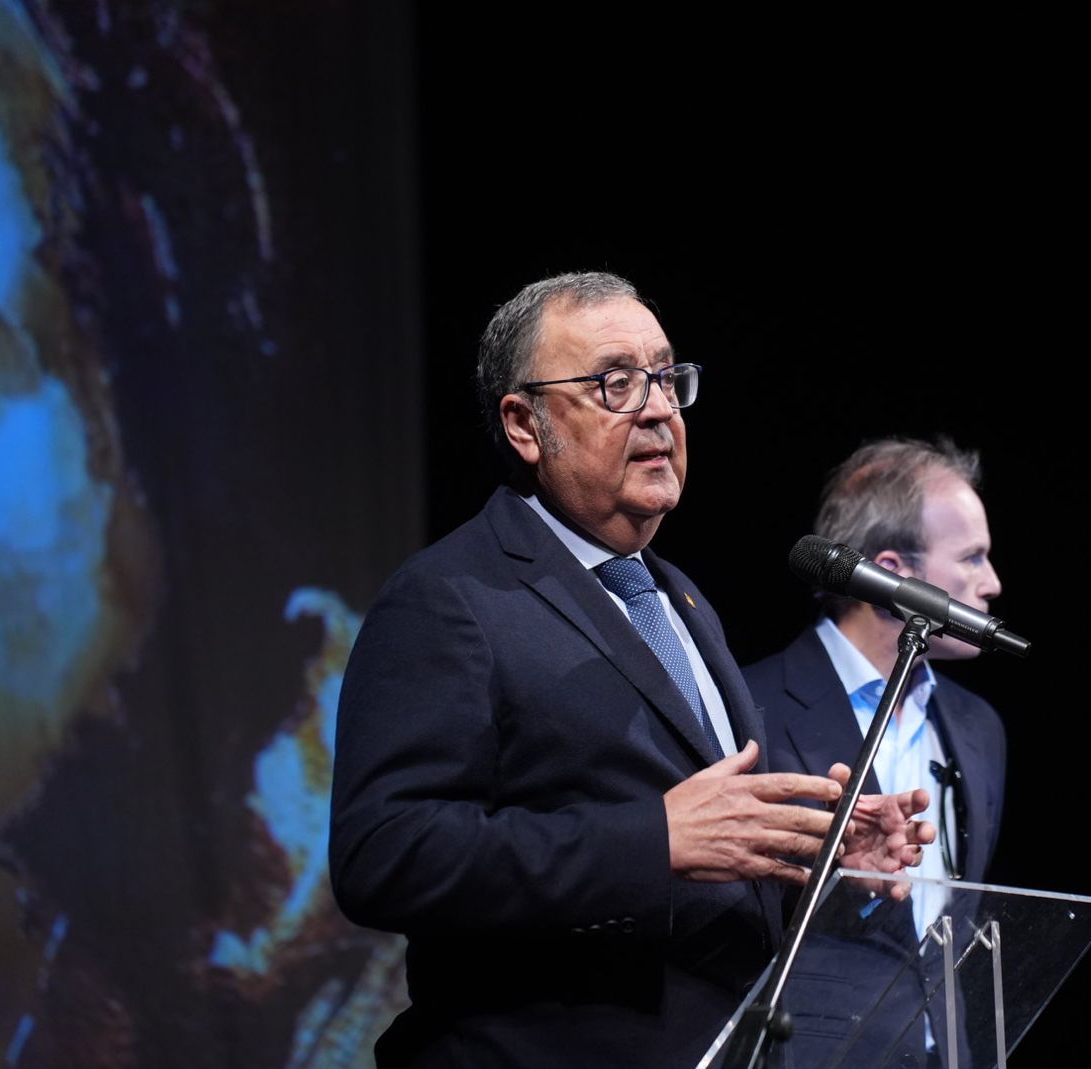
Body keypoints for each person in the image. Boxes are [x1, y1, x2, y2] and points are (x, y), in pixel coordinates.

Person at [327, 272, 935, 1068]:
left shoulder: (680, 598)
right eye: (615, 383)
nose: (657, 409)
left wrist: (817, 856)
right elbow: (385, 854)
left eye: (667, 377)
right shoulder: (451, 597)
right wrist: (653, 840)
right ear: (524, 424)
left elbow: (709, 859)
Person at [742, 436, 1009, 1066]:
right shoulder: (751, 707)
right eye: (971, 558)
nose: (993, 583)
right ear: (896, 573)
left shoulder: (978, 726)